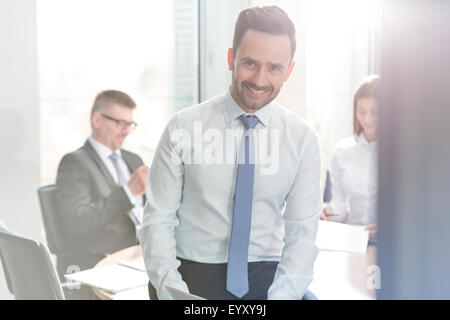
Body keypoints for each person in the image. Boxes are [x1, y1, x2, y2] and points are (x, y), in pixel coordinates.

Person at [139, 6, 322, 300]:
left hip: (266, 273)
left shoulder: (302, 140)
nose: (260, 80)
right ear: (230, 59)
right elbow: (157, 223)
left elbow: (302, 237)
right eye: (250, 63)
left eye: (274, 67)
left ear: (289, 71)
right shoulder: (182, 128)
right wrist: (175, 293)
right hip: (193, 272)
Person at [55, 90, 149, 283]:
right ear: (97, 120)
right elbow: (77, 221)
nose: (126, 131)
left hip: (142, 257)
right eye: (120, 123)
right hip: (103, 263)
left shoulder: (133, 159)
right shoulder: (74, 163)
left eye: (130, 124)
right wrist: (128, 192)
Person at [321, 75, 380, 243]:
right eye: (362, 111)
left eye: (375, 112)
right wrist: (327, 211)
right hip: (351, 241)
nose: (368, 119)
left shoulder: (402, 154)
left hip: (389, 244)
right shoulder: (341, 152)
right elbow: (339, 205)